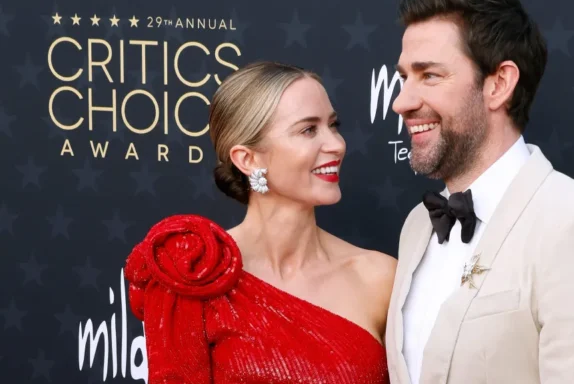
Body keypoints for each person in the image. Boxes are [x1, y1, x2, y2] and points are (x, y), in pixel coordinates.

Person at [384, 0, 574, 383]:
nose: (401, 102)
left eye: (430, 76)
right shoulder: (417, 226)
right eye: (405, 77)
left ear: (499, 84)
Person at [123, 61, 396, 384]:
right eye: (308, 130)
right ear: (248, 159)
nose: (336, 144)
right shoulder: (196, 273)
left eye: (333, 125)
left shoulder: (378, 278)